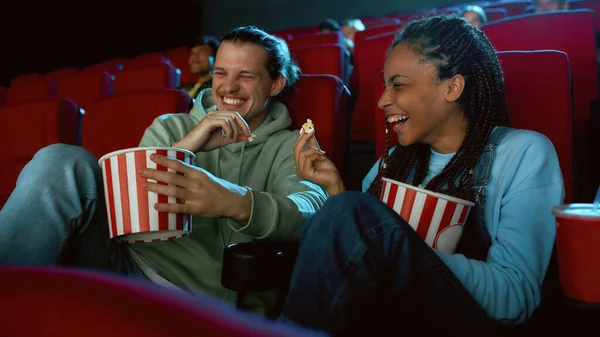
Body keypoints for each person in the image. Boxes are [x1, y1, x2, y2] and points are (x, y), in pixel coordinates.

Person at [0, 26, 327, 315]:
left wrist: (234, 201)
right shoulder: (171, 126)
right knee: (60, 160)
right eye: (220, 73)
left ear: (275, 84)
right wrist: (186, 147)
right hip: (123, 263)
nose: (228, 88)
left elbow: (312, 211)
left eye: (246, 76)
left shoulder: (291, 144)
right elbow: (130, 213)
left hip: (196, 298)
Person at [282, 15, 564, 336]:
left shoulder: (524, 152)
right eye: (385, 84)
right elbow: (356, 266)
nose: (382, 99)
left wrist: (399, 249)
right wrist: (335, 189)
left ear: (452, 87)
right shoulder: (392, 163)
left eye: (398, 85)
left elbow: (516, 298)